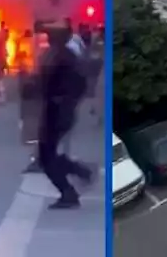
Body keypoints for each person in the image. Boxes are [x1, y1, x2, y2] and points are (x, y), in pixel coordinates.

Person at [37, 27, 93, 208]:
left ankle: (69, 190)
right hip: (60, 110)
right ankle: (77, 175)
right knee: (48, 153)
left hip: (56, 111)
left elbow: (47, 83)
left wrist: (62, 100)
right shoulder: (66, 56)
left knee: (46, 156)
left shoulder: (59, 58)